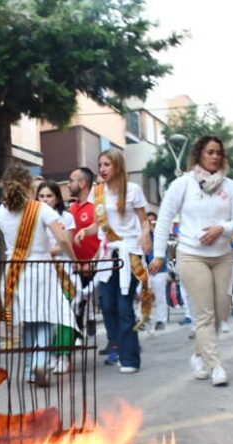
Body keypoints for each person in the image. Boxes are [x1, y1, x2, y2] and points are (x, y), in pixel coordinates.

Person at [150, 135, 233, 385]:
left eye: (218, 153)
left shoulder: (230, 186)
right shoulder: (183, 184)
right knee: (205, 314)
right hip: (191, 255)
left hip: (223, 256)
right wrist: (159, 255)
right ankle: (216, 366)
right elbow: (164, 219)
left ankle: (198, 356)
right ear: (199, 155)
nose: (215, 157)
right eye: (210, 152)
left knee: (220, 311)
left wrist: (222, 229)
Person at [0, 168, 77, 387]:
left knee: (29, 321)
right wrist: (74, 260)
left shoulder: (1, 212)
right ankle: (40, 361)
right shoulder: (40, 209)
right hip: (40, 268)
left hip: (14, 270)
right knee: (46, 318)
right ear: (29, 186)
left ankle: (30, 370)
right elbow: (63, 239)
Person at [74, 149, 151, 374]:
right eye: (100, 165)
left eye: (107, 164)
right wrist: (85, 231)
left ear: (117, 166)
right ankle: (120, 346)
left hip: (129, 253)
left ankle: (130, 358)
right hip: (108, 254)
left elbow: (144, 221)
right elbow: (98, 224)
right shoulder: (97, 192)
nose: (102, 169)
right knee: (107, 305)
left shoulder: (133, 190)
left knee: (124, 306)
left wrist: (145, 235)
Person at [37, 180, 79, 375]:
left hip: (62, 269)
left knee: (64, 314)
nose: (45, 200)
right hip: (40, 270)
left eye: (49, 196)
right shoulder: (32, 217)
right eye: (41, 196)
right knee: (45, 315)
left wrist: (45, 252)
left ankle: (64, 355)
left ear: (57, 198)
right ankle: (49, 353)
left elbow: (65, 243)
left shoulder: (66, 217)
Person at [67, 166, 105, 352]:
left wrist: (93, 261)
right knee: (76, 301)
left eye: (71, 180)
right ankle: (77, 334)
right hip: (75, 264)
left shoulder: (98, 205)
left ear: (82, 183)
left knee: (91, 298)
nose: (68, 184)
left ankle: (113, 341)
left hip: (95, 264)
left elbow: (104, 235)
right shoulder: (71, 208)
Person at [146, 212, 169, 332]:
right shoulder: (144, 235)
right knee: (144, 295)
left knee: (160, 297)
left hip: (160, 270)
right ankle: (144, 318)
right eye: (148, 221)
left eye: (152, 221)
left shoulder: (160, 234)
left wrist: (154, 231)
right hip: (145, 270)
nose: (150, 224)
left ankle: (160, 320)